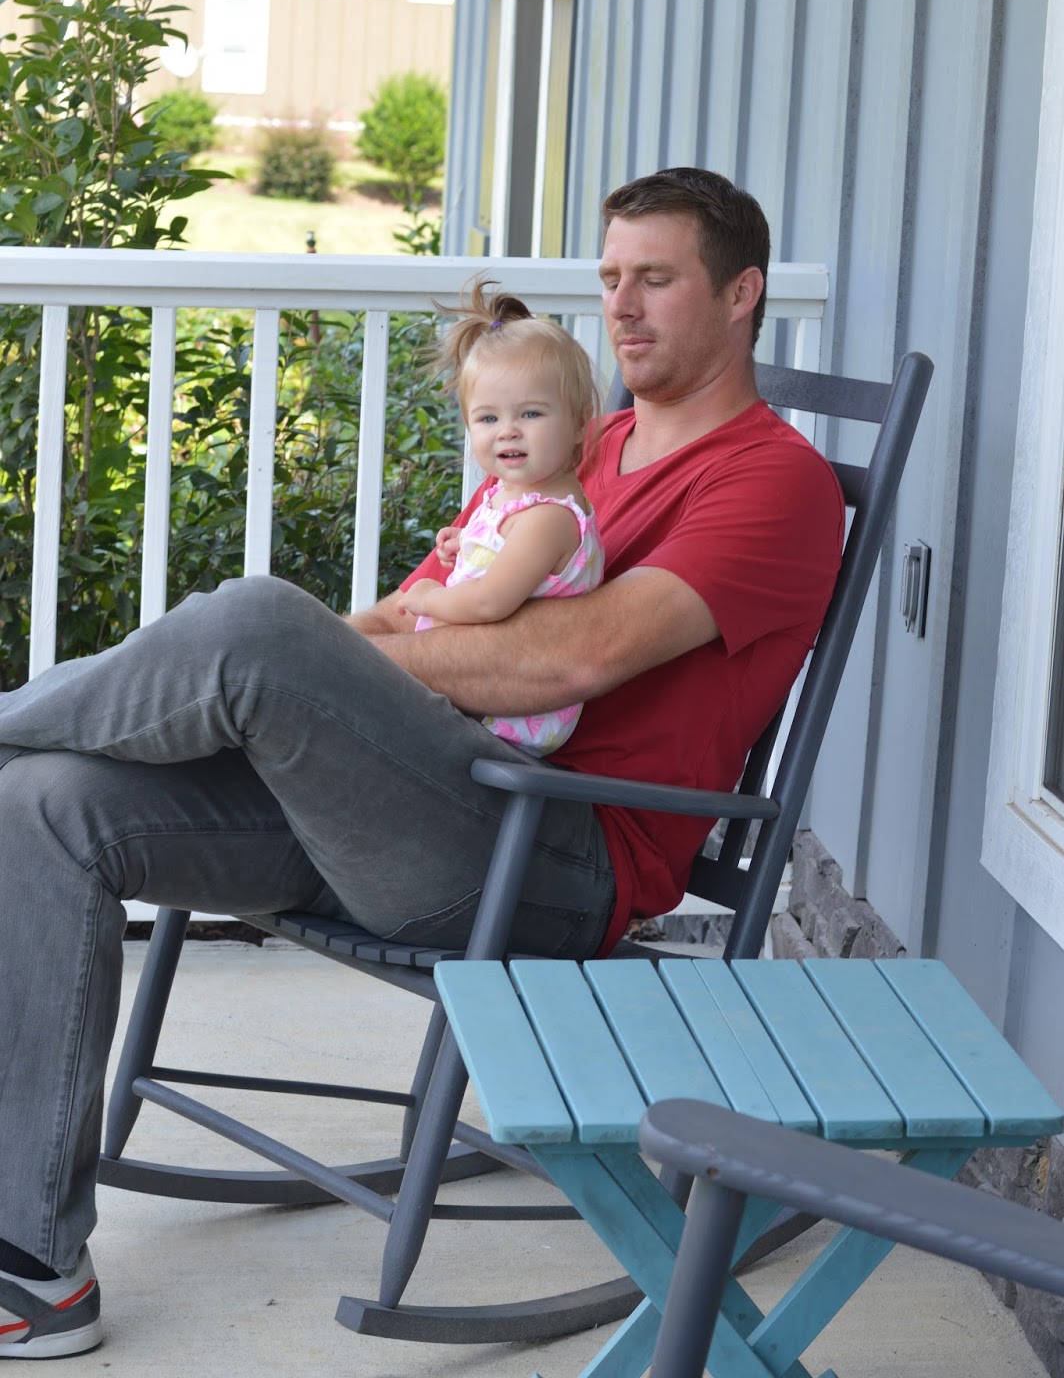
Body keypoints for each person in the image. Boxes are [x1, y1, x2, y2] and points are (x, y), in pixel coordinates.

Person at [0, 168, 843, 1357]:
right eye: (610, 276)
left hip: (548, 853)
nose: (621, 305)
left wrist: (308, 667)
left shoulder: (772, 482)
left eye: (655, 278)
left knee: (258, 624)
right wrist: (321, 672)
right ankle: (34, 1268)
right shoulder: (578, 437)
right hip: (414, 806)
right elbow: (417, 604)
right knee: (42, 800)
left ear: (741, 293)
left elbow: (572, 659)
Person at [402, 277, 604, 755]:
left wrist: (429, 597)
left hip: (504, 719)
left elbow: (490, 602)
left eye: (531, 414)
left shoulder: (548, 519)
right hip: (472, 691)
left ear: (579, 422)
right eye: (488, 418)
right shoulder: (508, 496)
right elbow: (502, 563)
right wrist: (466, 545)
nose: (507, 431)